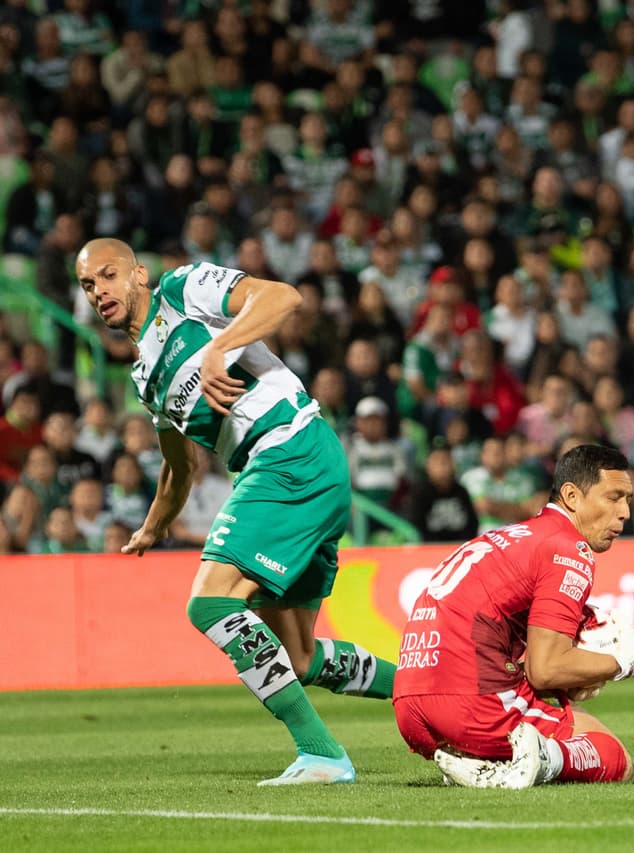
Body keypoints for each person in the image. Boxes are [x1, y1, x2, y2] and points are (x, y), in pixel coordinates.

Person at [75, 238, 396, 786]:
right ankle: (434, 688)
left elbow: (282, 296)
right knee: (298, 658)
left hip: (289, 451)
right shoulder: (144, 378)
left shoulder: (182, 290)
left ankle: (321, 752)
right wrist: (151, 527)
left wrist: (219, 347)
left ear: (139, 274)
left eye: (108, 275)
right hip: (290, 468)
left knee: (209, 604)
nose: (99, 290)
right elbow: (179, 467)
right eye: (88, 285)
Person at [394, 445, 634, 789]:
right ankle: (542, 758)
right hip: (469, 701)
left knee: (552, 706)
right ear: (572, 496)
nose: (625, 512)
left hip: (409, 707)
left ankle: (479, 760)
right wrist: (624, 662)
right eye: (613, 498)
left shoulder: (509, 536)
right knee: (613, 756)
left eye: (628, 500)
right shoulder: (568, 548)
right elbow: (545, 669)